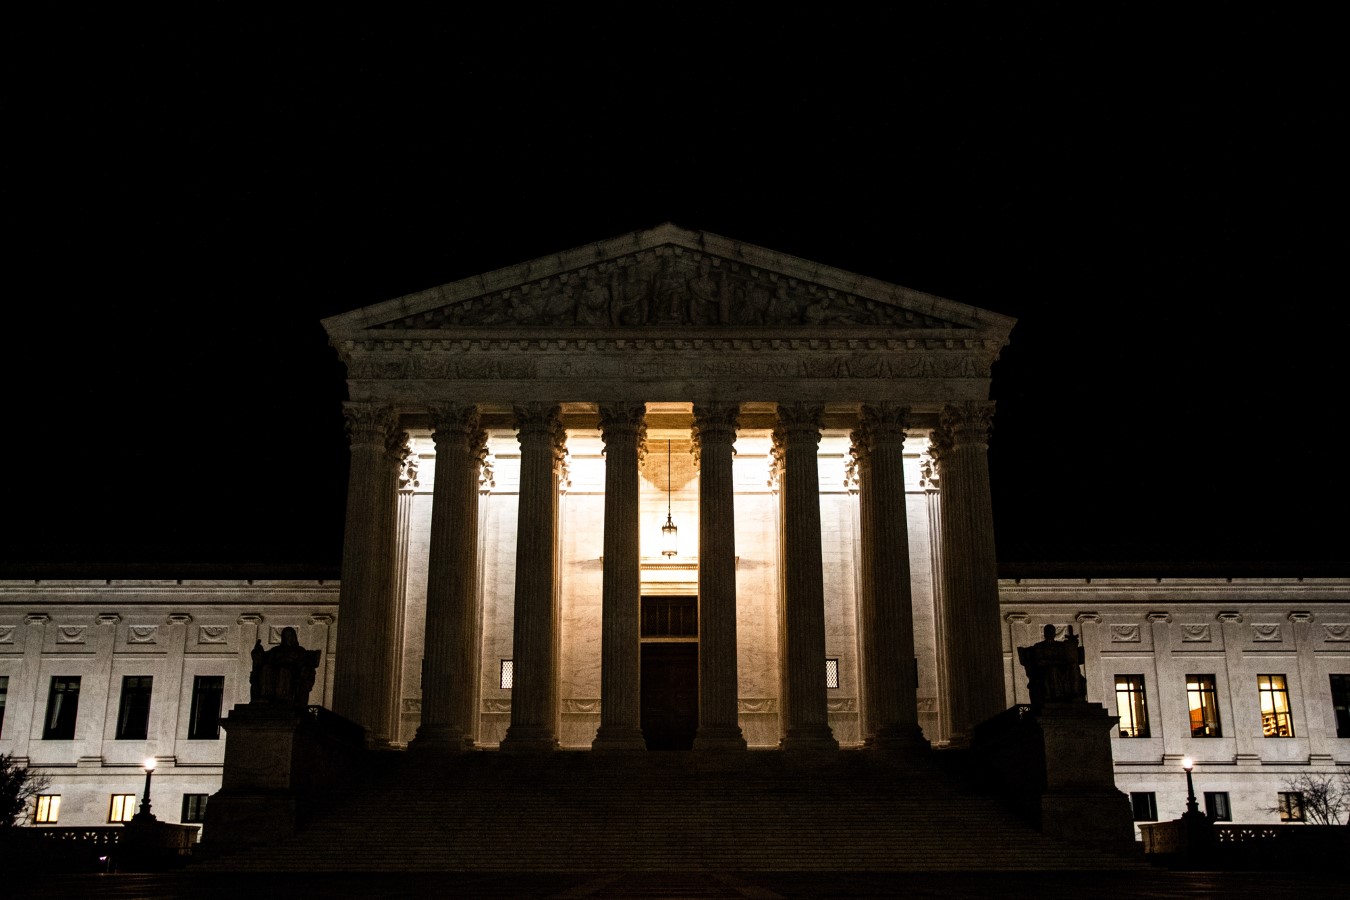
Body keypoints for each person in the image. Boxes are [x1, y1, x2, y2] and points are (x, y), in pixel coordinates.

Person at [1017, 624, 1087, 709]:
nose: (1050, 633)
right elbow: (1039, 662)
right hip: (1046, 669)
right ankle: (1057, 696)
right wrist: (1055, 662)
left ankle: (1076, 694)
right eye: (1048, 631)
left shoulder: (1060, 646)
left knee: (1074, 667)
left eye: (1051, 632)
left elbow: (1068, 657)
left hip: (1062, 668)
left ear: (1054, 633)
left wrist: (1073, 644)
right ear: (1045, 633)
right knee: (1053, 669)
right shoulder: (1039, 646)